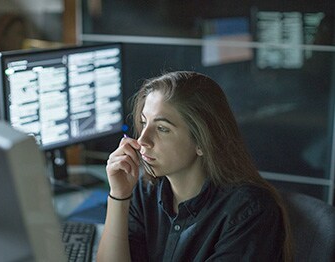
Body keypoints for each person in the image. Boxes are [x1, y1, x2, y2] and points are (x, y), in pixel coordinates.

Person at [97, 71, 292, 261]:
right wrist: (119, 195)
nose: (142, 140)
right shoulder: (145, 191)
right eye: (143, 122)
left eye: (162, 129)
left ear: (202, 142)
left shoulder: (249, 212)